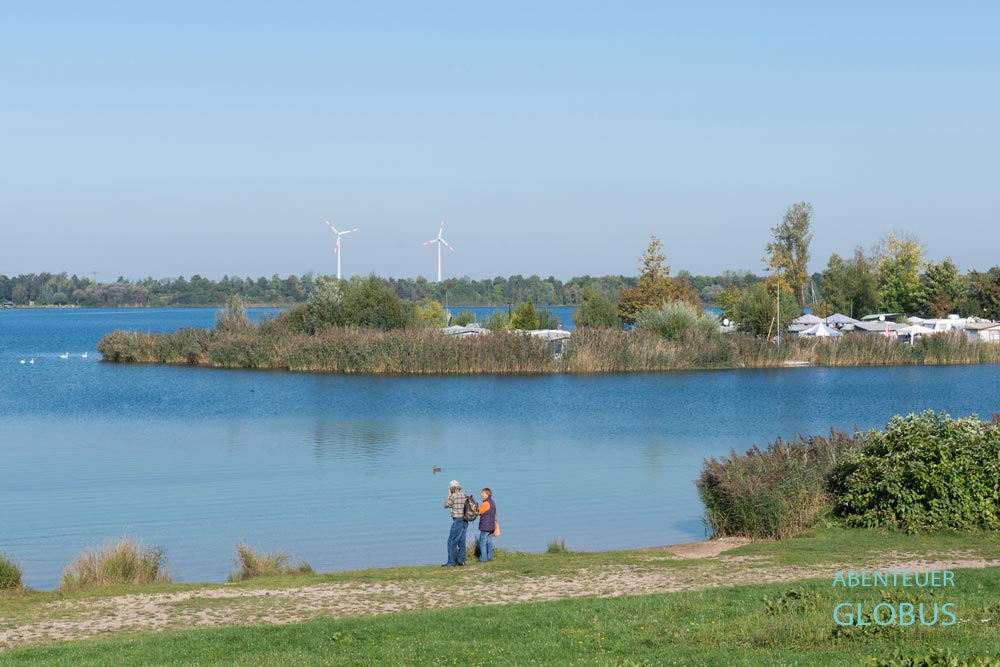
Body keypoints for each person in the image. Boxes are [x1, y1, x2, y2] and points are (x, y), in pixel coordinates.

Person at [442, 480, 468, 566]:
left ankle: (451, 562)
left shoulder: (453, 496)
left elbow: (445, 505)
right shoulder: (465, 495)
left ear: (451, 488)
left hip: (457, 520)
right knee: (461, 542)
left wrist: (448, 496)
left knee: (451, 541)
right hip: (465, 520)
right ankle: (461, 561)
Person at [476, 487, 497, 562]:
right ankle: (489, 557)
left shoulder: (485, 503)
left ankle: (483, 558)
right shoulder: (493, 502)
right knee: (489, 542)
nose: (481, 495)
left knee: (482, 542)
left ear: (487, 494)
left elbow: (479, 512)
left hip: (485, 526)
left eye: (483, 493)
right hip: (491, 526)